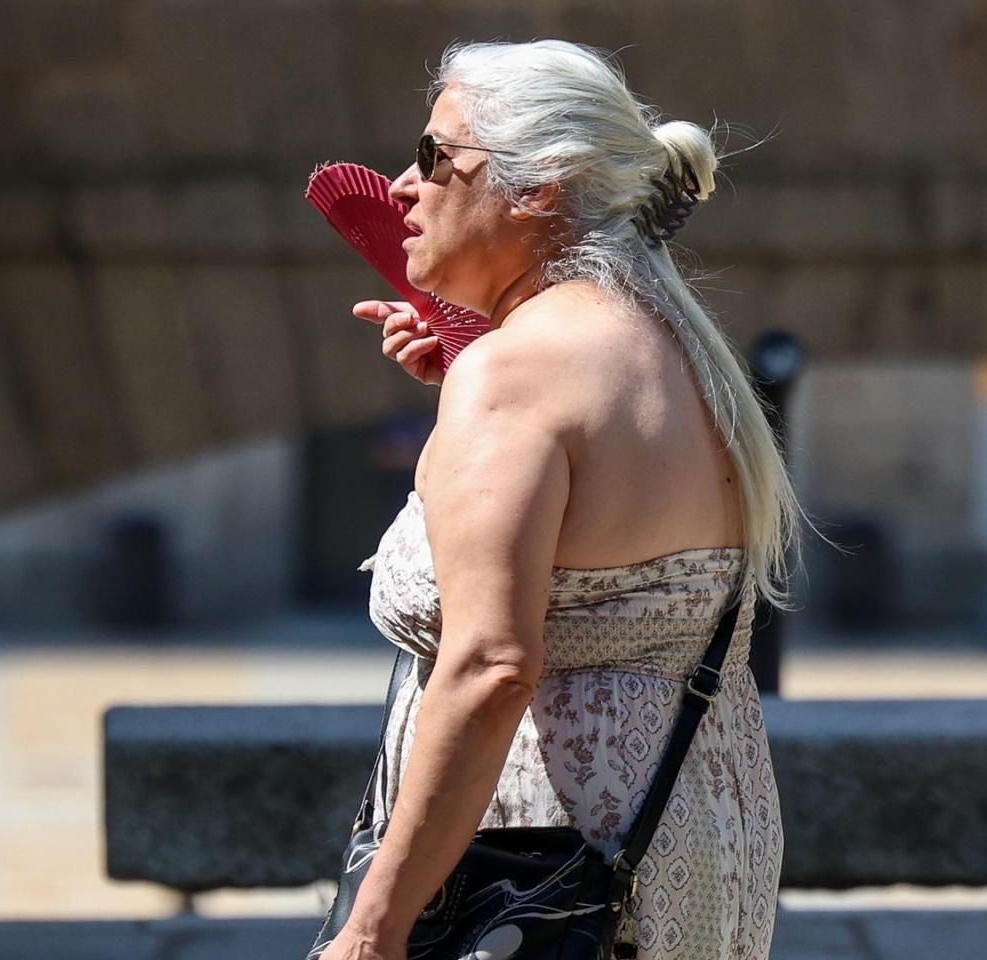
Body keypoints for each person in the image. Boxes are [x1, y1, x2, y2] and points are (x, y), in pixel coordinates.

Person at [323, 39, 811, 960]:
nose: (399, 185)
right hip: (692, 831)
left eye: (435, 156)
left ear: (539, 187)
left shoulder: (517, 379)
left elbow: (492, 666)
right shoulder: (678, 345)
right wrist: (472, 385)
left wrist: (372, 931)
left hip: (539, 867)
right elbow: (599, 525)